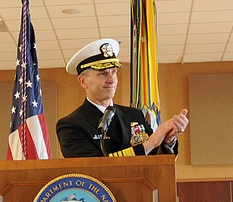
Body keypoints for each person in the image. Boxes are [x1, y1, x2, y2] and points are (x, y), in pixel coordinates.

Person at [56, 38, 189, 158]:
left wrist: (168, 140)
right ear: (83, 81)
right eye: (103, 74)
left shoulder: (135, 116)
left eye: (114, 72)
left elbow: (156, 159)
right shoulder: (71, 125)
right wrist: (150, 143)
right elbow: (93, 166)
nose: (111, 79)